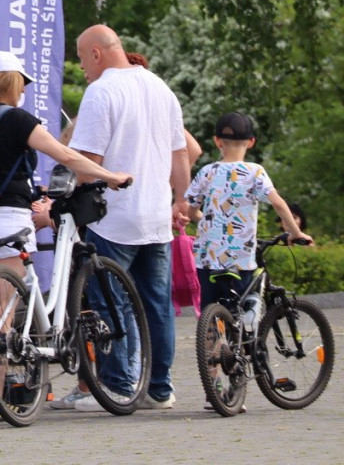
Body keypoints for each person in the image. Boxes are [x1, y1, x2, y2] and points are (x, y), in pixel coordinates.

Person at [0, 50, 132, 423]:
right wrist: (112, 176)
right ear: (13, 83)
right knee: (0, 315)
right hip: (7, 219)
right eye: (23, 82)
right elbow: (65, 154)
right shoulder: (17, 119)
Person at [66, 25, 191, 412]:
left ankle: (119, 386)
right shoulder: (160, 87)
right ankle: (159, 389)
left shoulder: (102, 91)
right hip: (155, 217)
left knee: (109, 304)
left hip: (115, 219)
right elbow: (181, 156)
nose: (81, 67)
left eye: (82, 58)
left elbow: (89, 165)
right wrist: (180, 201)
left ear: (97, 54)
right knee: (157, 306)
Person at [186, 112, 313, 311]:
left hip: (207, 258)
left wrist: (209, 220)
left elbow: (191, 212)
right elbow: (278, 203)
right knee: (243, 308)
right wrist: (296, 233)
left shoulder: (207, 171)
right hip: (240, 258)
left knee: (210, 313)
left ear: (217, 141)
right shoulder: (255, 172)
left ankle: (210, 340)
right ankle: (246, 330)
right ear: (251, 142)